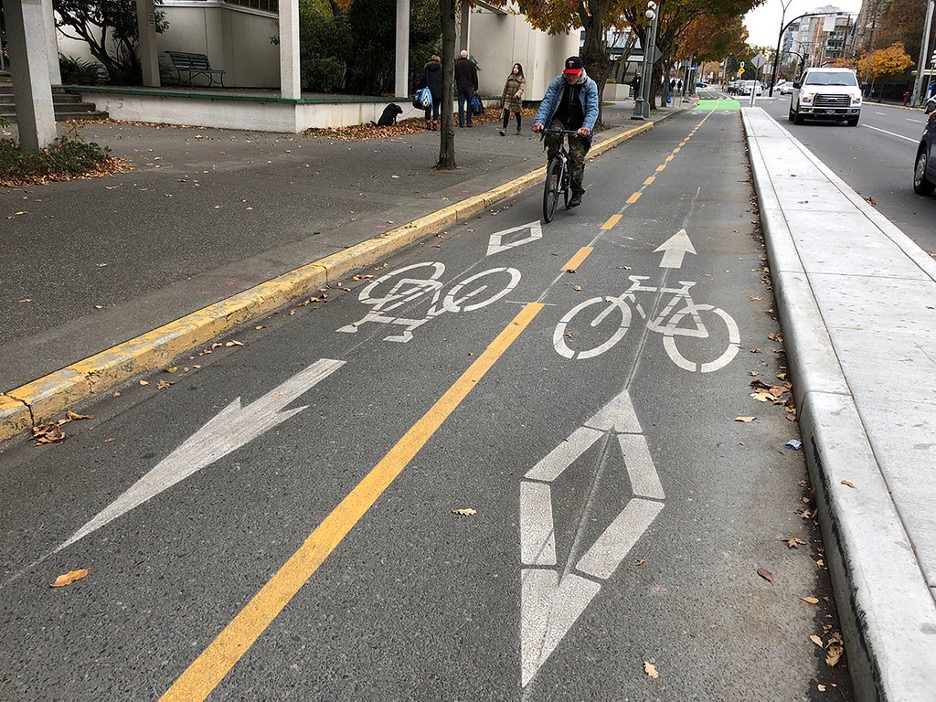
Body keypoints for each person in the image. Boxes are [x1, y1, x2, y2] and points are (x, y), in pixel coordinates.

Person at [532, 56, 599, 209]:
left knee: (576, 157)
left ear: (581, 71)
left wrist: (586, 127)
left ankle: (576, 191)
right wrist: (539, 122)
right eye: (568, 74)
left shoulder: (590, 85)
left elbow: (592, 109)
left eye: (574, 74)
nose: (570, 77)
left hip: (579, 124)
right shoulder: (558, 82)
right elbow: (547, 102)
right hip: (560, 119)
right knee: (553, 135)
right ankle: (554, 165)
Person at [499, 63, 526, 136]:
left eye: (517, 68)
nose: (515, 69)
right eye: (514, 68)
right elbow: (505, 89)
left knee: (517, 114)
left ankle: (519, 127)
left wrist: (517, 94)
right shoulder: (509, 78)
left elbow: (522, 88)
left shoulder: (521, 79)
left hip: (516, 100)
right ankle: (504, 129)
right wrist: (503, 98)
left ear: (519, 70)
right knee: (506, 114)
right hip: (508, 99)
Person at [455, 49, 479, 128]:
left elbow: (455, 76)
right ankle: (469, 121)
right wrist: (476, 87)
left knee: (461, 105)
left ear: (460, 55)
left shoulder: (457, 64)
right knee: (469, 104)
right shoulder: (471, 64)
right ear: (467, 56)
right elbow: (474, 76)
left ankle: (461, 122)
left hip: (460, 86)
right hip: (469, 86)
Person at [422, 54, 443, 130]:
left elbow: (423, 79)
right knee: (436, 107)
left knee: (428, 106)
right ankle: (435, 122)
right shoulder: (441, 69)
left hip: (428, 90)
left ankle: (428, 122)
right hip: (438, 90)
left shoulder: (427, 68)